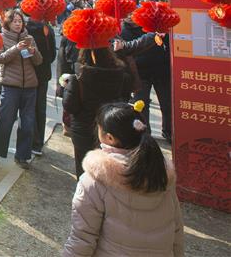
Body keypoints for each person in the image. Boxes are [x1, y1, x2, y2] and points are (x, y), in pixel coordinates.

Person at [63, 102, 184, 256]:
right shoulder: (161, 173)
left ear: (109, 137)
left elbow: (82, 239)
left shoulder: (94, 180)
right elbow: (177, 231)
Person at [63, 47, 134, 177]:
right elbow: (124, 100)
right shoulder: (121, 76)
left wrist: (67, 88)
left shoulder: (77, 79)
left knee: (84, 171)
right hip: (110, 130)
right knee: (107, 170)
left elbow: (70, 106)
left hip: (83, 131)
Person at [0, 9, 43, 170]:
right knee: (5, 121)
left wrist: (33, 52)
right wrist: (16, 49)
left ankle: (22, 156)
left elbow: (39, 61)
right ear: (8, 23)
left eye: (20, 21)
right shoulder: (1, 37)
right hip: (10, 86)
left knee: (27, 123)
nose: (18, 24)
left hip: (30, 87)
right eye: (15, 21)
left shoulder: (29, 38)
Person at [115, 18, 172, 142]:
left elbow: (168, 44)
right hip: (140, 74)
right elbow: (129, 48)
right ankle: (145, 135)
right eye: (128, 14)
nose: (131, 17)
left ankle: (168, 132)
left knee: (167, 104)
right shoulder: (123, 30)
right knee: (141, 106)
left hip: (162, 71)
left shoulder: (153, 25)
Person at [27, 15, 57, 156]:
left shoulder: (25, 29)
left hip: (29, 74)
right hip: (43, 74)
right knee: (40, 109)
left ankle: (31, 142)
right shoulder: (48, 29)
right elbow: (52, 55)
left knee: (29, 109)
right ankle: (38, 144)